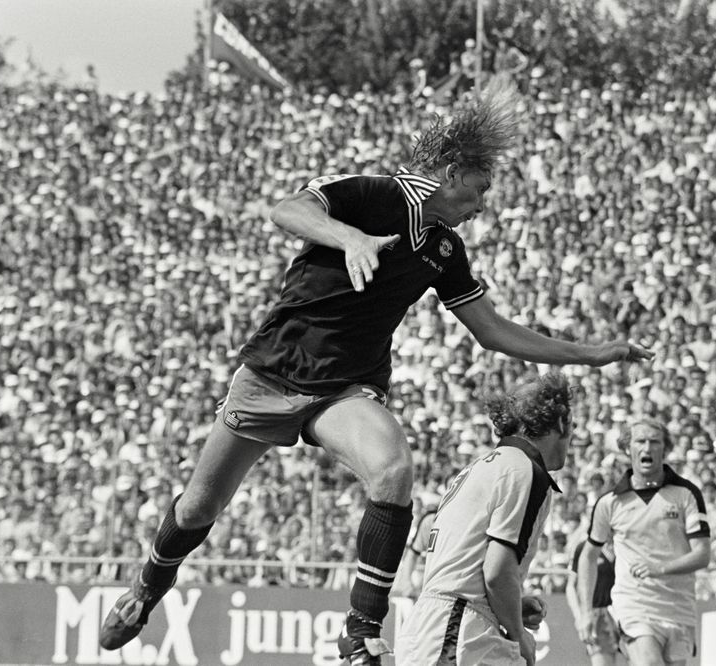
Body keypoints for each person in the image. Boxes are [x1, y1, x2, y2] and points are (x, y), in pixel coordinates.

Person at [97, 80, 650, 665]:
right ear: (452, 171)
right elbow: (287, 209)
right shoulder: (371, 193)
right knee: (196, 511)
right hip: (273, 373)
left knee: (393, 472)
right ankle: (146, 589)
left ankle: (360, 634)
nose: (483, 205)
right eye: (480, 189)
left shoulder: (443, 248)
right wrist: (350, 238)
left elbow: (492, 331)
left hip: (345, 388)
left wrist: (591, 353)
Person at [395, 371, 573, 665]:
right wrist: (519, 634)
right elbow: (496, 571)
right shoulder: (525, 471)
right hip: (459, 630)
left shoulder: (483, 466)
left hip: (445, 622)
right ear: (562, 422)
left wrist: (512, 605)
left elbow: (471, 568)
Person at [577, 417, 711, 665]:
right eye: (640, 441)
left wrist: (659, 569)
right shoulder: (610, 502)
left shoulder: (686, 494)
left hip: (678, 607)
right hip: (634, 606)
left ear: (665, 449)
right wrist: (585, 612)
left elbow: (702, 553)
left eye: (654, 442)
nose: (647, 448)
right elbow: (588, 556)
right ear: (628, 448)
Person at [566, 533, 620, 665]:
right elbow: (571, 587)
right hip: (598, 616)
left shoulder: (627, 545)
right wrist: (580, 616)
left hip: (628, 613)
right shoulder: (584, 548)